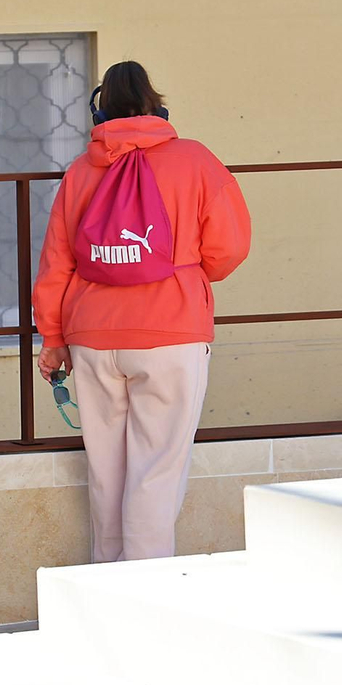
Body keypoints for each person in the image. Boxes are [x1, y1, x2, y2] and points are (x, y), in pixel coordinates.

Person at [32, 61, 251, 563]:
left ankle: (104, 593)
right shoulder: (195, 160)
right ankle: (145, 600)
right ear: (157, 105)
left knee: (107, 475)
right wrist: (189, 274)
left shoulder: (82, 170)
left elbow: (56, 261)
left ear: (100, 108)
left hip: (90, 336)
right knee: (156, 472)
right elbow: (230, 248)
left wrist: (52, 337)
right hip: (170, 333)